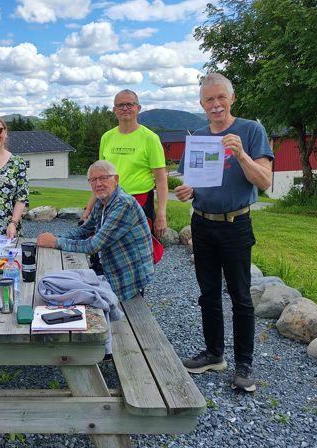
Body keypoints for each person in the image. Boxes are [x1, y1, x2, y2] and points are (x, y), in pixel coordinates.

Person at [173, 73, 274, 393]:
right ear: (201, 104)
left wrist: (241, 154)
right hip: (202, 223)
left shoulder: (250, 130)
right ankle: (214, 354)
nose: (215, 105)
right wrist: (186, 191)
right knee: (208, 294)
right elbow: (191, 179)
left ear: (232, 98)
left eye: (221, 98)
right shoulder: (199, 137)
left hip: (235, 224)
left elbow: (265, 182)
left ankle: (244, 364)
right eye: (209, 100)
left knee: (241, 298)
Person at [37, 160, 153, 303]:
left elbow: (94, 245)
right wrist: (56, 238)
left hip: (125, 278)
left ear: (116, 179)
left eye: (103, 178)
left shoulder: (124, 204)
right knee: (60, 286)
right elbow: (85, 230)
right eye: (93, 180)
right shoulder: (102, 202)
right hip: (107, 267)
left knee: (67, 294)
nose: (98, 184)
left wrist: (55, 242)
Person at [83, 89, 168, 242]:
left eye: (130, 104)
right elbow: (98, 179)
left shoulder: (150, 138)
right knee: (106, 249)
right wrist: (89, 208)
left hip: (139, 203)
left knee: (138, 252)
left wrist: (161, 214)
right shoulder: (107, 138)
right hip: (108, 202)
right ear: (114, 110)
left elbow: (161, 180)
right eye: (120, 105)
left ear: (138, 108)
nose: (125, 108)